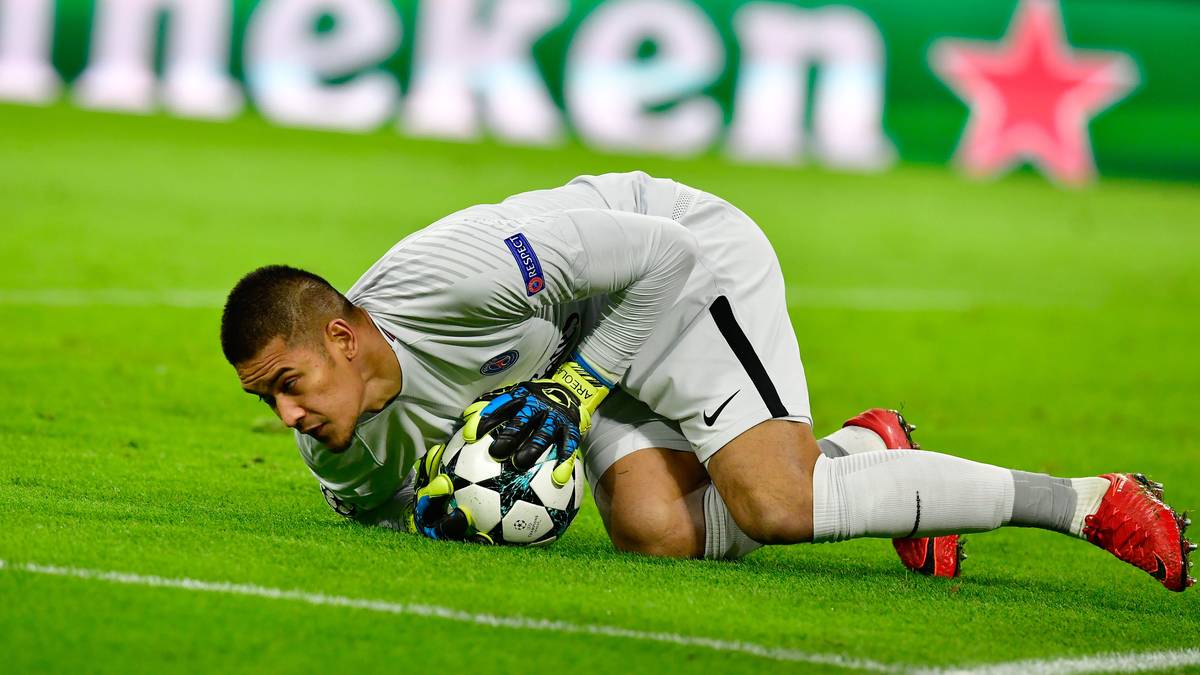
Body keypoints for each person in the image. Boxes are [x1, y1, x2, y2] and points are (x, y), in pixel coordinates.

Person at [220, 171, 1193, 591]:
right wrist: (449, 511)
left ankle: (1088, 501)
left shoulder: (460, 272)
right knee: (655, 534)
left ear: (346, 336)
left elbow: (664, 258)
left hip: (675, 265)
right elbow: (398, 518)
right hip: (571, 349)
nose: (288, 413)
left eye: (292, 381)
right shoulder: (335, 448)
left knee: (771, 502)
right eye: (266, 397)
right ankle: (868, 454)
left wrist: (575, 392)